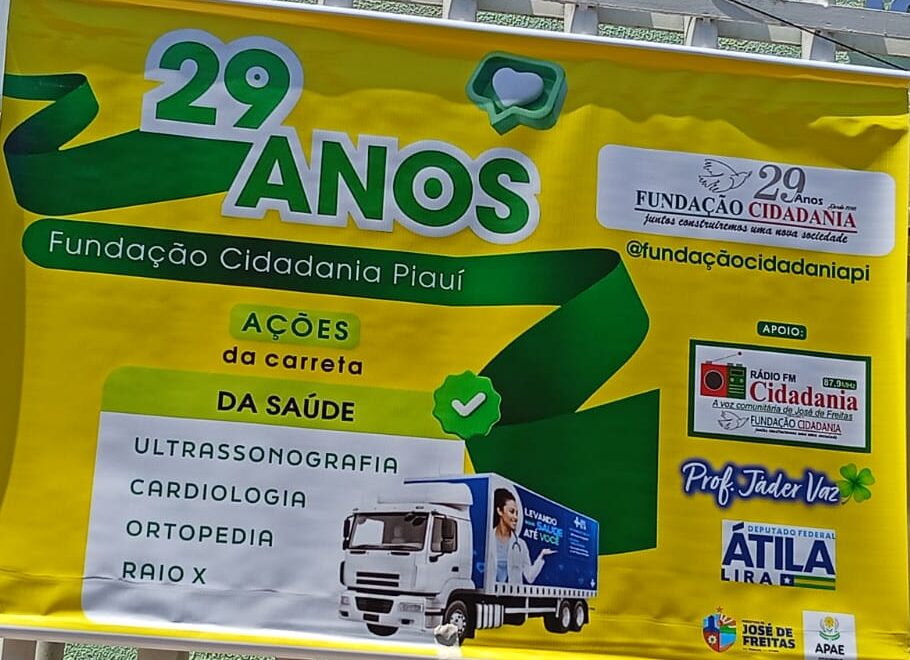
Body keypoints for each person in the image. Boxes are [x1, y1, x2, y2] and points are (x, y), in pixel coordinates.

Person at [493, 487, 555, 584]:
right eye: (511, 511)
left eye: (517, 513)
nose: (515, 517)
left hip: (513, 592)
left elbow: (529, 577)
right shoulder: (488, 540)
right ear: (500, 511)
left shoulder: (521, 545)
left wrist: (541, 555)